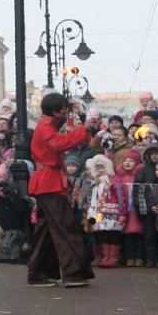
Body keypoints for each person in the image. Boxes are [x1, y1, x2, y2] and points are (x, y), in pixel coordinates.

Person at [27, 92, 98, 288]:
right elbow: (61, 143)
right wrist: (83, 130)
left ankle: (40, 273)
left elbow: (60, 141)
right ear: (55, 110)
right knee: (64, 226)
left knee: (47, 231)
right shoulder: (45, 128)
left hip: (47, 181)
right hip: (50, 182)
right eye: (63, 109)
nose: (66, 111)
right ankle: (73, 272)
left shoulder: (45, 126)